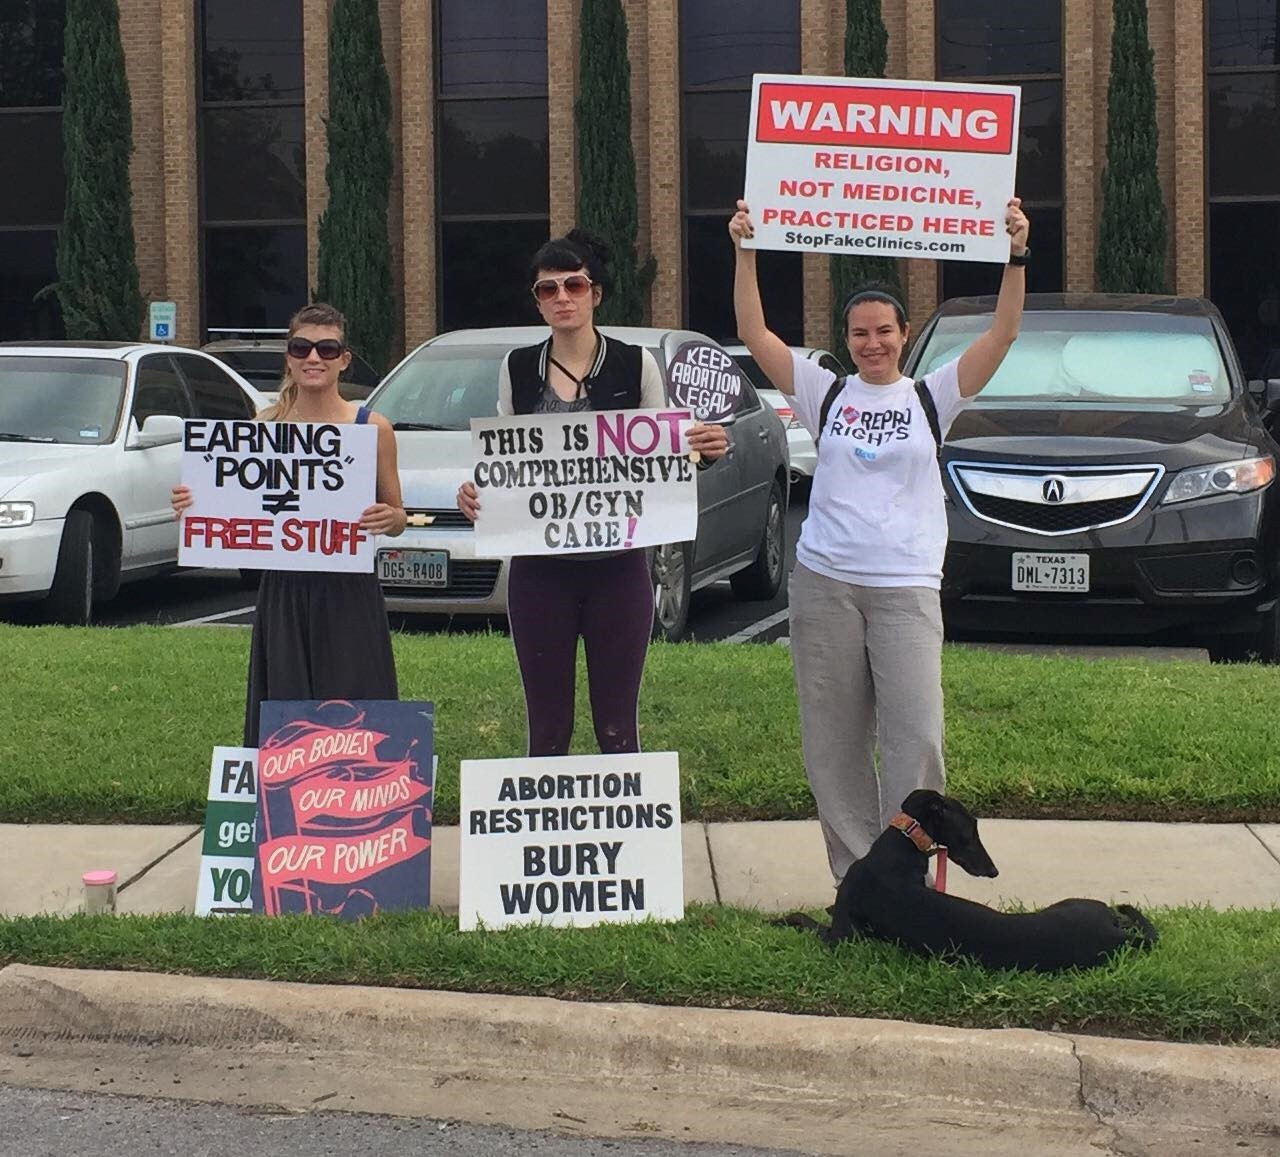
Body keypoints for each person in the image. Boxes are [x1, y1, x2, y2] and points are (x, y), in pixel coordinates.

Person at [729, 197, 1030, 882]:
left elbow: (1004, 333)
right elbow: (753, 330)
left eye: (884, 331)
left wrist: (1016, 254)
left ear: (904, 334)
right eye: (860, 333)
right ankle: (857, 879)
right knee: (833, 742)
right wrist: (745, 249)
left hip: (906, 587)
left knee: (915, 738)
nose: (872, 343)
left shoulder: (931, 396)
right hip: (825, 585)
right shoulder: (825, 392)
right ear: (846, 338)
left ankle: (911, 876)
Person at [457, 229, 728, 757]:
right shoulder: (517, 368)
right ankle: (545, 811)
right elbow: (505, 461)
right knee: (547, 729)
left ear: (595, 293)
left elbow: (664, 460)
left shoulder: (635, 364)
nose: (562, 297)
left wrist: (705, 449)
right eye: (548, 289)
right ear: (537, 301)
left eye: (574, 285)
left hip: (618, 568)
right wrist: (476, 493)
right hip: (539, 571)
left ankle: (625, 813)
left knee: (617, 728)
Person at [172, 303, 408, 745]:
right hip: (285, 587)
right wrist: (194, 503)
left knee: (355, 701)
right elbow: (234, 503)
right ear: (289, 356)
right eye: (301, 348)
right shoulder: (265, 426)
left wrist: (389, 517)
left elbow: (398, 516)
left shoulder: (372, 428)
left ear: (344, 359)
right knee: (285, 703)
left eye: (326, 348)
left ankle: (358, 786)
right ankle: (285, 787)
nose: (313, 358)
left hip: (349, 588)